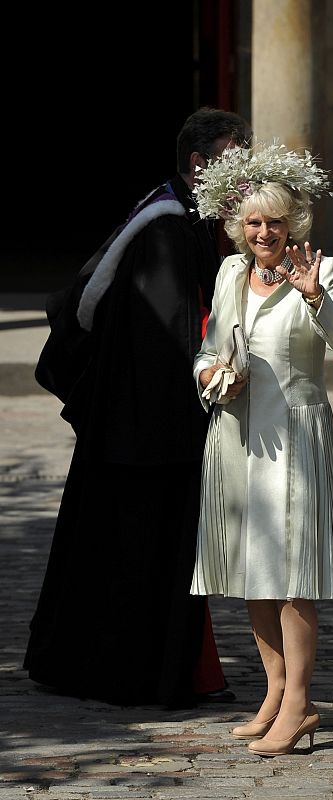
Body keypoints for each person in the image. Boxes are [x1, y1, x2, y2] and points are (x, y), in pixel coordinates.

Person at [23, 107, 251, 707]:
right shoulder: (166, 230)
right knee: (140, 552)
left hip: (143, 425)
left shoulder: (183, 216)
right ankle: (140, 671)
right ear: (201, 164)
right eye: (235, 155)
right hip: (147, 433)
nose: (245, 169)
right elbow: (166, 339)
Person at [188, 141, 333, 756]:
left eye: (276, 221)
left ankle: (300, 705)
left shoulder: (323, 268)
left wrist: (314, 295)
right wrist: (211, 375)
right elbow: (210, 350)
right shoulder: (232, 271)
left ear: (295, 224)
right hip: (237, 432)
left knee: (293, 574)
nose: (265, 232)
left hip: (295, 433)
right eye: (254, 222)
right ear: (240, 226)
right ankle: (275, 692)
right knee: (252, 572)